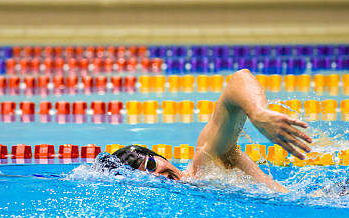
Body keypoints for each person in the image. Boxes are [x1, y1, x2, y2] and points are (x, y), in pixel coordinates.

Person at [110, 69, 312, 193]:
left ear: (161, 157)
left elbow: (240, 80)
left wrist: (258, 113)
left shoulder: (204, 163)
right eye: (146, 178)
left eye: (152, 164)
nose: (158, 176)